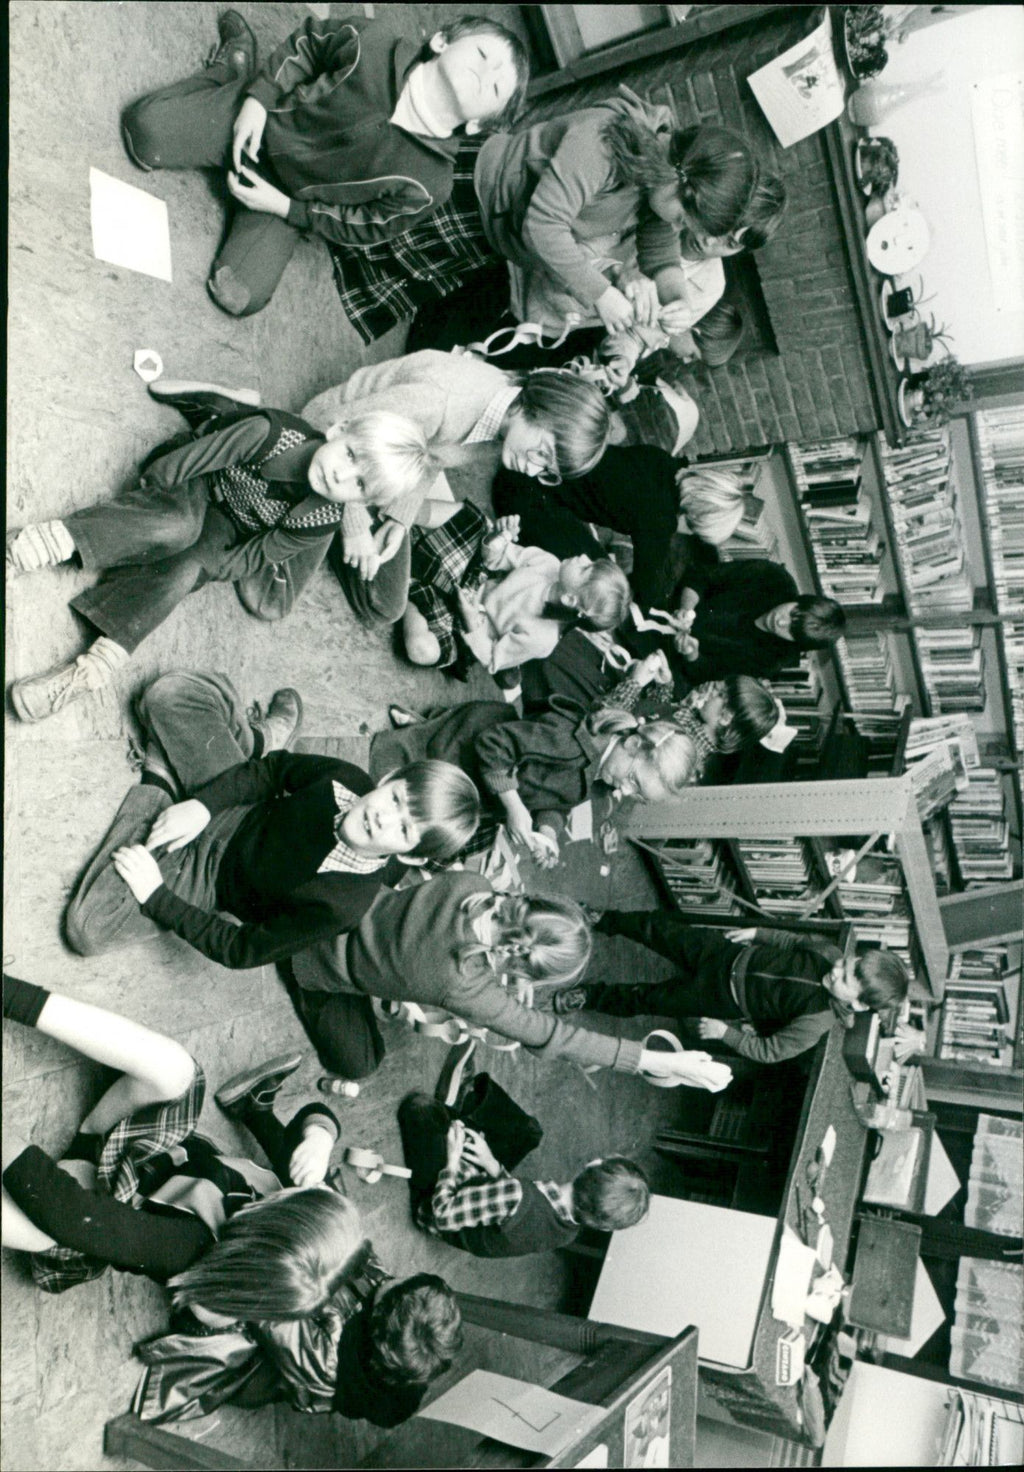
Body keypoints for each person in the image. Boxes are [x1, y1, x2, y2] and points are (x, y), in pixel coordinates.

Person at [1, 978, 461, 1427]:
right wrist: (321, 1136)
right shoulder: (329, 1257)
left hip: (91, 1208)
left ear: (279, 1216)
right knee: (177, 1070)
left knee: (49, 1234)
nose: (374, 1272)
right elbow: (314, 1139)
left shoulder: (195, 1246)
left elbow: (77, 1217)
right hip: (141, 1164)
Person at [6, 392, 442, 723]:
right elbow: (179, 465)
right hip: (195, 477)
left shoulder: (322, 520)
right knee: (176, 527)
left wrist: (206, 565)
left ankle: (92, 668)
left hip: (228, 526)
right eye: (349, 454)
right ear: (339, 429)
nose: (340, 475)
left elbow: (254, 556)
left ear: (361, 503)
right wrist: (150, 507)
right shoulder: (270, 433)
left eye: (359, 485)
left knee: (186, 569)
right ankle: (35, 544)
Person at [62, 668, 480, 970]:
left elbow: (241, 949)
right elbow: (274, 771)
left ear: (409, 857)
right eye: (394, 799)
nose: (383, 818)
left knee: (87, 930)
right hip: (236, 810)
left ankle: (160, 780)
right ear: (388, 779)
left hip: (208, 880)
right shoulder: (347, 778)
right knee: (171, 694)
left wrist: (156, 896)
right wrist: (203, 806)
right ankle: (255, 739)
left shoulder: (345, 904)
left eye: (404, 830)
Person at [120, 10, 529, 318]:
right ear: (441, 41)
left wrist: (288, 209)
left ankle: (258, 211)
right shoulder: (373, 41)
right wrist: (258, 100)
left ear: (478, 126)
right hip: (257, 120)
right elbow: (307, 45)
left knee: (239, 296)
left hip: (285, 199)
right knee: (143, 135)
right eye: (482, 53)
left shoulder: (430, 185)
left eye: (496, 86)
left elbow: (365, 226)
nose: (486, 72)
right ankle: (232, 69)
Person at [288, 875, 734, 1091]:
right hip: (315, 964)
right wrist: (656, 1060)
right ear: (525, 967)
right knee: (362, 1061)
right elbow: (555, 1036)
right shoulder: (465, 985)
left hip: (331, 904)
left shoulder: (469, 883)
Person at [294, 352, 612, 632]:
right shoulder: (440, 401)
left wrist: (400, 518)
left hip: (379, 477)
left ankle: (322, 528)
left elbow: (431, 457)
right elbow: (328, 423)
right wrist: (354, 526)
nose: (531, 470)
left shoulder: (506, 428)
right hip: (323, 450)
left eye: (546, 471)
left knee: (386, 605)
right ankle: (311, 519)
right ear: (540, 408)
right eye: (542, 453)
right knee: (290, 580)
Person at [374, 669, 698, 870]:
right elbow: (492, 744)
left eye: (636, 794)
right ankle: (425, 730)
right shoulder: (569, 744)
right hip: (466, 753)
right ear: (633, 744)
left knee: (471, 840)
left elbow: (560, 800)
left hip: (493, 784)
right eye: (633, 781)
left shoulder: (600, 768)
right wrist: (514, 805)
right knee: (430, 821)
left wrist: (548, 831)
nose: (624, 791)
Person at [554, 915, 910, 1065]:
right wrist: (759, 934)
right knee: (662, 932)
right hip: (726, 954)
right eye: (846, 963)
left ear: (858, 1005)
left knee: (648, 998)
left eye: (845, 979)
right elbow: (794, 940)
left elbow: (771, 1051)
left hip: (721, 998)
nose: (836, 969)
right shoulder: (828, 953)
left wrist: (726, 1033)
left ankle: (589, 996)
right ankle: (604, 919)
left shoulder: (816, 1021)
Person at [398, 1094, 650, 1257]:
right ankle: (460, 1111)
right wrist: (491, 1163)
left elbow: (442, 1215)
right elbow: (515, 1211)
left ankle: (457, 1109)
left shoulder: (517, 1195)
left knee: (420, 1108)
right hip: (485, 1203)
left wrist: (453, 1159)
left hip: (433, 1206)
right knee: (529, 1132)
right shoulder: (568, 1232)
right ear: (601, 1224)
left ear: (593, 1164)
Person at [403, 511, 632, 680]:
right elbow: (494, 559)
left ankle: (410, 589)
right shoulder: (548, 563)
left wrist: (470, 621)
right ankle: (408, 513)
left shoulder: (543, 639)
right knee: (478, 521)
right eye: (591, 561)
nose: (583, 557)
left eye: (585, 568)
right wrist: (501, 536)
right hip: (469, 583)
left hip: (464, 632)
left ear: (570, 600)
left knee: (422, 650)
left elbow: (491, 658)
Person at [639, 558, 847, 690]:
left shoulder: (772, 661)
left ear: (796, 644)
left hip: (667, 656)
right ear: (800, 600)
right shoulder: (774, 578)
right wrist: (687, 607)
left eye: (791, 631)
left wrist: (691, 653)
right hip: (666, 599)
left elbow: (705, 674)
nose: (781, 621)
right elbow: (700, 574)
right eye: (792, 613)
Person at [596, 652, 790, 784]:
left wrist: (634, 682)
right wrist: (664, 687)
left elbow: (603, 723)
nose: (711, 692)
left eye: (719, 694)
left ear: (725, 717)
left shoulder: (681, 746)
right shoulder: (693, 725)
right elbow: (653, 717)